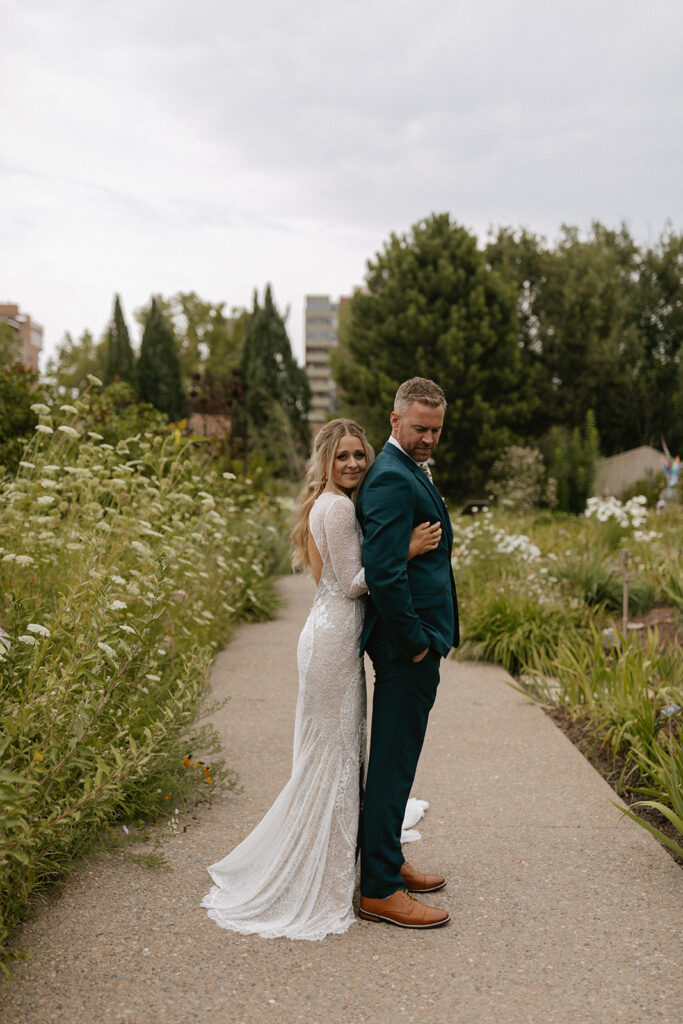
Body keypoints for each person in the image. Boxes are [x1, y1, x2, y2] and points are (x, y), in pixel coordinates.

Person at [201, 418, 441, 940]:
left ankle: (360, 863)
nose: (354, 464)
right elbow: (353, 583)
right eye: (343, 457)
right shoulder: (333, 506)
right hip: (332, 643)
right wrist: (404, 550)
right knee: (332, 758)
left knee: (340, 754)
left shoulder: (336, 503)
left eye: (360, 455)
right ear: (325, 462)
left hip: (335, 640)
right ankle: (326, 877)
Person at [356, 378, 459, 929]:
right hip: (405, 650)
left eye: (436, 430)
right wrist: (417, 645)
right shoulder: (392, 479)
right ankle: (379, 887)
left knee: (401, 762)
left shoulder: (408, 469)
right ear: (394, 421)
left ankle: (390, 859)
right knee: (393, 766)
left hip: (417, 645)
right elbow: (385, 574)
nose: (428, 439)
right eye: (420, 428)